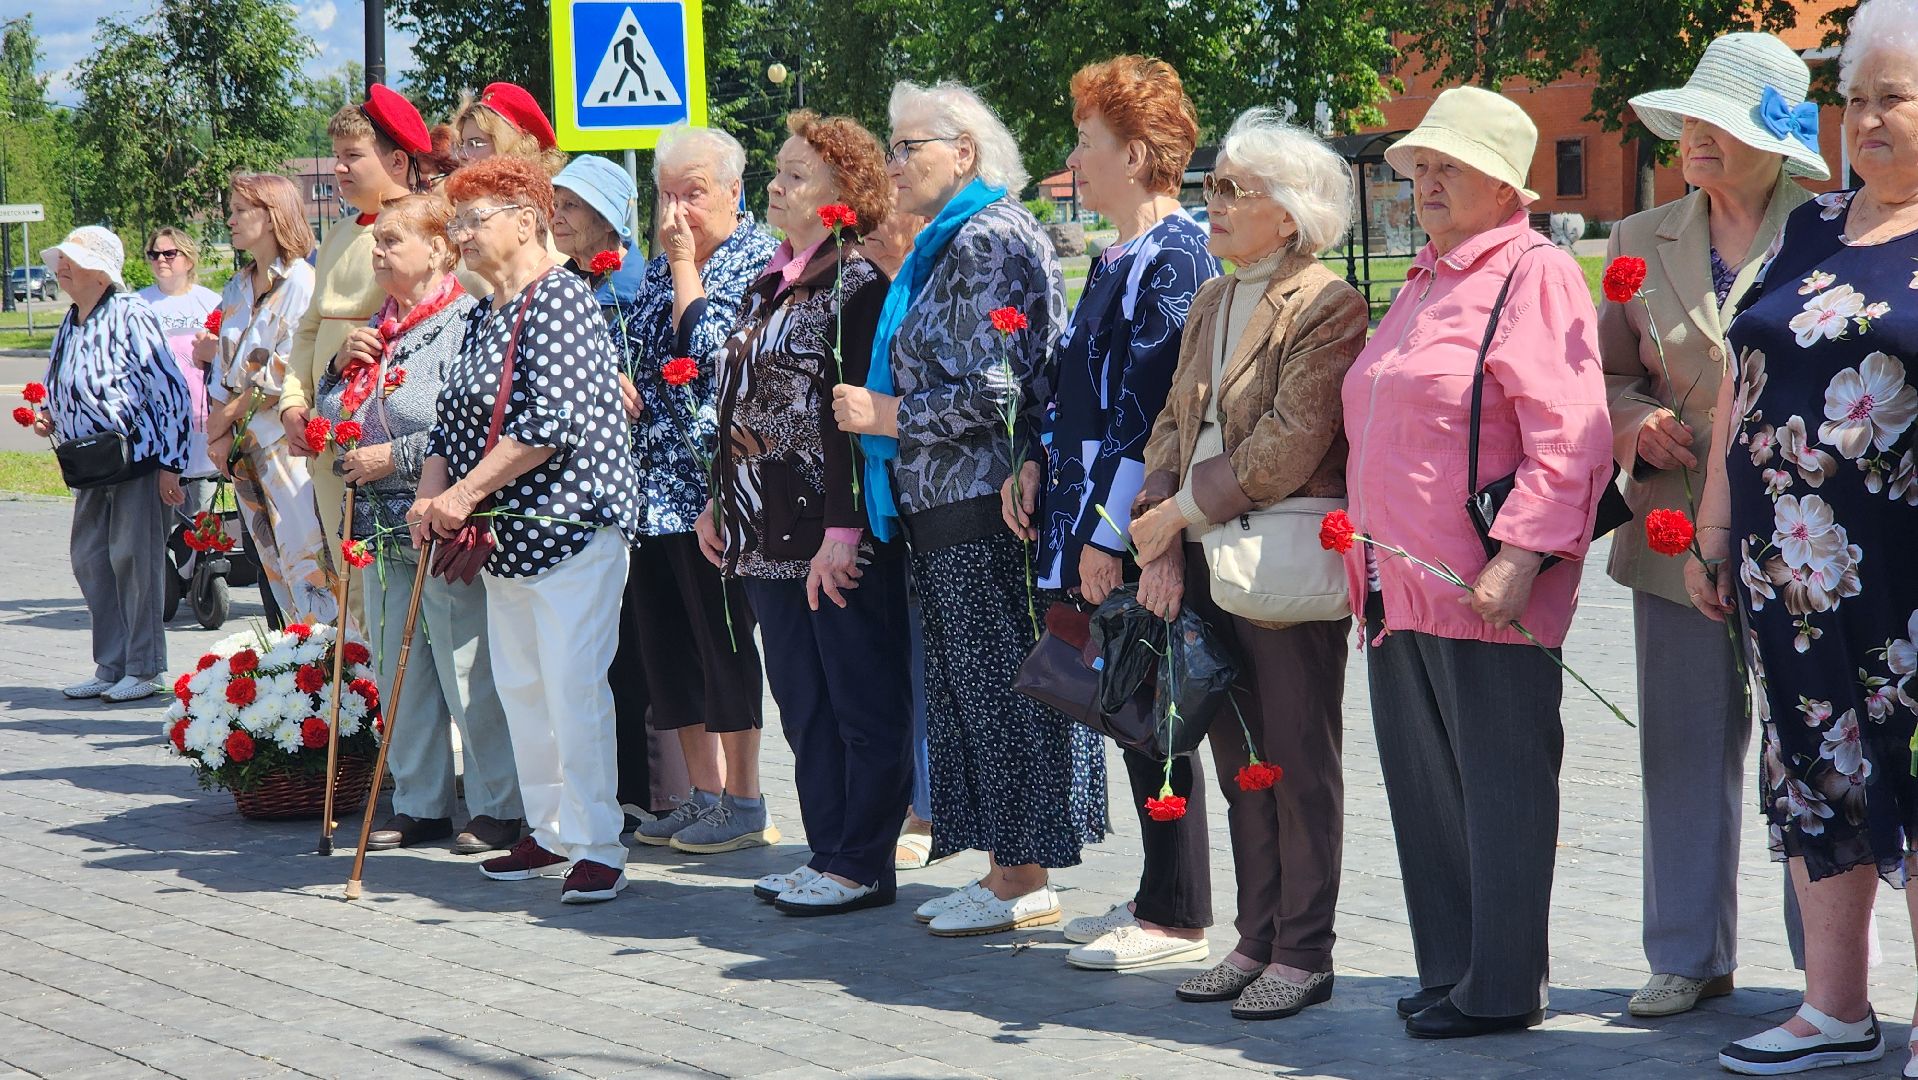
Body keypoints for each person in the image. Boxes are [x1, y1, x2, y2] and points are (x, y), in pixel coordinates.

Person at [1339, 86, 1613, 1039]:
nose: (1425, 183)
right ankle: (1453, 968)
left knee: (1501, 788)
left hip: (1483, 587)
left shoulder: (1534, 271)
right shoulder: (1426, 276)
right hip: (1394, 582)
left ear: (1504, 185)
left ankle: (1502, 984)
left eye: (1446, 167)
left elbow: (1571, 432)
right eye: (1419, 168)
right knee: (1426, 790)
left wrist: (1522, 554)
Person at [1698, 1, 1918, 1071]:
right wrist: (1715, 516)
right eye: (1851, 98)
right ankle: (1835, 1009)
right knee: (1813, 767)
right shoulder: (1811, 225)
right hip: (1786, 570)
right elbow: (1739, 376)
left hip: (1903, 571)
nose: (1863, 118)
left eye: (1891, 98)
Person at [832, 80, 1101, 937]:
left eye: (907, 147)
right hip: (949, 504)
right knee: (971, 696)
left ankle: (1021, 877)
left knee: (1000, 694)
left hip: (986, 506)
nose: (892, 164)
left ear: (965, 152)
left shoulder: (987, 238)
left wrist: (887, 416)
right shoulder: (948, 242)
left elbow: (1001, 388)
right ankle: (1005, 870)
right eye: (893, 146)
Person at [1597, 32, 1826, 1020]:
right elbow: (1604, 376)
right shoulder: (1635, 236)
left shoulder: (1834, 229)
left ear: (1773, 141)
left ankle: (1827, 970)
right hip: (1672, 536)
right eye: (1689, 116)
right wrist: (1632, 424)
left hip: (1809, 542)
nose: (1694, 134)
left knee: (1814, 752)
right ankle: (1688, 955)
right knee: (1683, 747)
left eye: (1718, 120)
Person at [1122, 109, 1365, 1015]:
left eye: (1232, 189)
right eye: (1210, 185)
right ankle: (1254, 938)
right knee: (1243, 765)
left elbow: (1289, 443)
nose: (1211, 203)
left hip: (1280, 566)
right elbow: (1171, 421)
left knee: (1298, 760)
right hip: (1201, 556)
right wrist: (1156, 520)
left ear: (1290, 213)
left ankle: (1304, 950)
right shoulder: (1213, 301)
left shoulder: (1328, 304)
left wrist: (1178, 512)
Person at [999, 56, 1220, 971]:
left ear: (1134, 155)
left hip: (1130, 526)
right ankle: (1158, 894)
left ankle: (1178, 915)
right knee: (1128, 706)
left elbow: (1148, 411)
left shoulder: (1175, 256)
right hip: (1091, 515)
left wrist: (1106, 535)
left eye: (1086, 142)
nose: (1073, 160)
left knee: (1155, 709)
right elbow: (1072, 390)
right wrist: (1032, 456)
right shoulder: (1118, 256)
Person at [412, 156, 642, 903]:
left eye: (472, 220)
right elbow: (449, 421)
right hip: (508, 541)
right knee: (522, 690)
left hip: (573, 527)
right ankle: (549, 831)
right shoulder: (487, 310)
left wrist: (464, 494)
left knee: (573, 691)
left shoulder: (561, 299)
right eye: (455, 222)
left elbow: (549, 424)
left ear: (525, 221)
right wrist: (430, 494)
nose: (460, 235)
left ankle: (599, 843)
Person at [697, 109, 907, 915]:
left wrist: (842, 531)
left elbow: (849, 419)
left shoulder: (858, 285)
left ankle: (863, 862)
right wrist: (719, 499)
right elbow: (738, 401)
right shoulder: (771, 281)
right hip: (761, 532)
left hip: (827, 533)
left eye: (796, 174)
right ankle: (827, 854)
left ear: (841, 193)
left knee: (858, 699)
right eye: (778, 171)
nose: (776, 186)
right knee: (802, 702)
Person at [313, 193, 523, 856]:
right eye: (374, 243)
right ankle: (419, 802)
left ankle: (497, 805)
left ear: (436, 249)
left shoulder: (466, 322)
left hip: (439, 517)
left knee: (463, 663)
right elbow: (330, 422)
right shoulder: (378, 327)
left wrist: (393, 457)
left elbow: (472, 423)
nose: (376, 254)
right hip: (376, 524)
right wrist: (335, 371)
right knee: (397, 668)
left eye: (391, 242)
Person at [619, 124, 780, 855]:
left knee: (723, 644)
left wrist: (686, 267)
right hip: (653, 487)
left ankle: (745, 800)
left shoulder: (755, 260)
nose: (676, 212)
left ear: (734, 192)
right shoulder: (658, 269)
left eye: (694, 193)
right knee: (668, 650)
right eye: (665, 195)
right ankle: (701, 794)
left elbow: (712, 356)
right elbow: (641, 348)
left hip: (716, 487)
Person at [548, 152, 690, 827]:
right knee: (603, 652)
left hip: (646, 487)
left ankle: (658, 794)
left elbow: (673, 369)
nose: (557, 218)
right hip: (583, 486)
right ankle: (619, 792)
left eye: (571, 206)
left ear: (609, 220)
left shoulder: (636, 283)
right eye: (555, 205)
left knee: (643, 646)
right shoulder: (560, 285)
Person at [280, 85, 437, 566]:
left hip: (385, 438)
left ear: (397, 162)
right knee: (347, 579)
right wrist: (293, 402)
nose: (338, 168)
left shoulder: (426, 230)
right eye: (336, 156)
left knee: (388, 579)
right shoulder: (338, 234)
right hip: (328, 428)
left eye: (352, 156)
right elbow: (309, 328)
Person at [35, 226, 190, 703]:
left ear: (101, 273)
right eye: (61, 259)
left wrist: (172, 464)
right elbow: (62, 378)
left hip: (136, 459)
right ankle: (111, 665)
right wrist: (50, 413)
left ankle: (144, 667)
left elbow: (171, 390)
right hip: (89, 462)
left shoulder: (130, 312)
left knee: (134, 561)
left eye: (73, 260)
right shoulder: (72, 318)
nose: (62, 267)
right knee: (91, 559)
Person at [198, 174, 337, 625]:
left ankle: (335, 656)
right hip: (244, 450)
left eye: (241, 211)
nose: (231, 220)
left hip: (284, 446)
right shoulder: (236, 286)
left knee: (308, 560)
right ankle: (298, 653)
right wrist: (219, 436)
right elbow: (224, 369)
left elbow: (282, 371)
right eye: (232, 210)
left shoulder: (301, 282)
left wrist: (222, 422)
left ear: (273, 216)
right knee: (274, 565)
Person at [136, 227, 221, 515]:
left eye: (169, 253)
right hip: (159, 422)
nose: (161, 259)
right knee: (167, 512)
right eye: (154, 254)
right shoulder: (138, 304)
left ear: (188, 259)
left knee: (205, 513)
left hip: (203, 418)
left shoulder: (210, 302)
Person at [453, 82, 567, 176]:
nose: (461, 154)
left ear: (512, 150)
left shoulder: (529, 198)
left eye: (473, 143)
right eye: (462, 144)